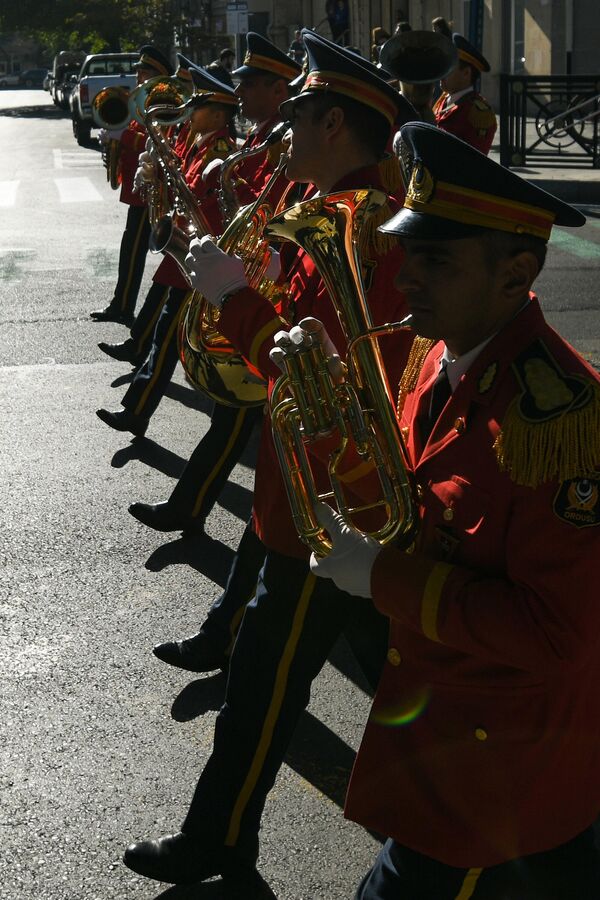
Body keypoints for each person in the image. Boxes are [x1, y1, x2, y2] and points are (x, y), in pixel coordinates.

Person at [121, 31, 417, 889]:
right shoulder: (339, 217)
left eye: (294, 118)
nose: (281, 136)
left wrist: (235, 299)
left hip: (334, 503)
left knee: (260, 686)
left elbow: (317, 365)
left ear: (332, 124)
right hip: (318, 497)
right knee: (377, 672)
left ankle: (218, 840)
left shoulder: (361, 230)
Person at [306, 121, 600, 899]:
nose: (403, 280)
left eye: (434, 260)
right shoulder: (434, 355)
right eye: (408, 254)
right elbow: (413, 498)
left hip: (496, 769)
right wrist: (327, 400)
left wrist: (383, 580)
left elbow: (556, 634)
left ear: (516, 275)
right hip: (445, 736)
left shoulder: (562, 424)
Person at [122, 32, 302, 527]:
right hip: (233, 276)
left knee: (236, 419)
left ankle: (192, 512)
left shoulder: (281, 141)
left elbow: (281, 209)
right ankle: (191, 509)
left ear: (279, 91)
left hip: (262, 288)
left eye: (250, 84)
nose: (238, 92)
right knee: (230, 415)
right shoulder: (262, 138)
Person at [95, 64, 239, 439]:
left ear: (220, 114)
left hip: (200, 260)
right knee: (165, 340)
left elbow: (212, 205)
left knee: (165, 343)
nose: (193, 107)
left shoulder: (220, 148)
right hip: (188, 259)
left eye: (201, 103)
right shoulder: (199, 140)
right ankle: (136, 410)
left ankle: (136, 411)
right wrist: (154, 175)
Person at [90, 45, 173, 326]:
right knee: (130, 248)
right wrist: (113, 139)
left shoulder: (163, 102)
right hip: (139, 188)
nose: (138, 75)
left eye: (144, 71)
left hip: (151, 189)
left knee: (135, 250)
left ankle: (123, 306)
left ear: (158, 74)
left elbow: (158, 144)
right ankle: (121, 302)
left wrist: (122, 136)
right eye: (138, 70)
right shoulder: (143, 100)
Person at [433, 32, 497, 154]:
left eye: (448, 69)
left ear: (466, 73)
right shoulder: (443, 100)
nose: (442, 73)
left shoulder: (479, 113)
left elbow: (472, 161)